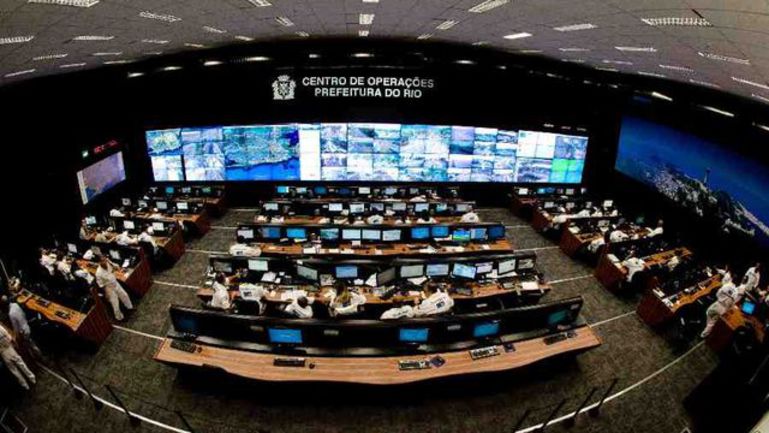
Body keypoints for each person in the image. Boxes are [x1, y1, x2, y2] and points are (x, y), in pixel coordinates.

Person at [95, 256, 134, 321]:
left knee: (125, 295)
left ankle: (130, 308)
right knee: (115, 304)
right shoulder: (98, 273)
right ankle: (119, 318)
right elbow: (101, 285)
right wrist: (106, 294)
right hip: (109, 288)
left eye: (105, 260)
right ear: (99, 262)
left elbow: (116, 267)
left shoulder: (108, 263)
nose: (105, 261)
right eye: (103, 261)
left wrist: (111, 264)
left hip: (115, 283)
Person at [0, 324, 35, 390]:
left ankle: (24, 384)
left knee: (14, 369)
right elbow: (8, 335)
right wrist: (11, 342)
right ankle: (32, 378)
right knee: (21, 364)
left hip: (3, 352)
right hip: (9, 348)